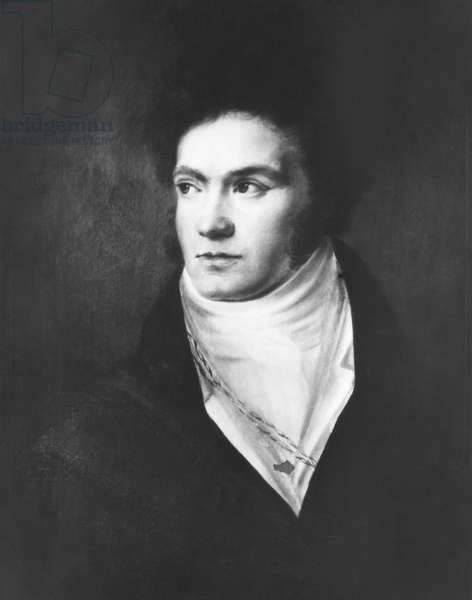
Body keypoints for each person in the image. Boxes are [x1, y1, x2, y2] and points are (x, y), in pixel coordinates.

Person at [12, 2, 459, 599]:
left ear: (320, 193)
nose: (210, 222)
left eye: (248, 186)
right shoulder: (89, 452)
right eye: (190, 186)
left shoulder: (433, 404)